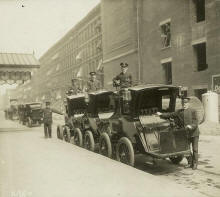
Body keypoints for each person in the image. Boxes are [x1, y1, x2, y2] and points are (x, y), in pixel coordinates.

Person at [157, 97, 200, 170]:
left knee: (195, 149)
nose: (184, 105)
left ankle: (195, 164)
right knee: (186, 149)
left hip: (194, 133)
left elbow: (196, 122)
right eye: (183, 103)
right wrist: (161, 114)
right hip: (186, 134)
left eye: (186, 103)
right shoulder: (179, 112)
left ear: (188, 103)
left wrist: (191, 126)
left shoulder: (193, 111)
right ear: (181, 104)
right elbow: (170, 114)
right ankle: (190, 163)